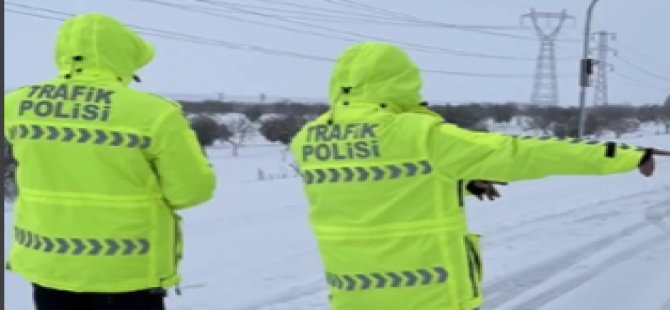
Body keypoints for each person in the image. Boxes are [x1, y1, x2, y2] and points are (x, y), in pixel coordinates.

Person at [289, 42, 662, 310]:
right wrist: (621, 155)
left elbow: (371, 184)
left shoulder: (307, 141)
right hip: (429, 297)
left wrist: (461, 178)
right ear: (403, 83)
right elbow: (523, 154)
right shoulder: (421, 135)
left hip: (353, 296)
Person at [4, 14, 216, 310]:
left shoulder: (15, 106)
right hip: (127, 275)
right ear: (124, 56)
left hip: (48, 268)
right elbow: (192, 191)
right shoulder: (155, 114)